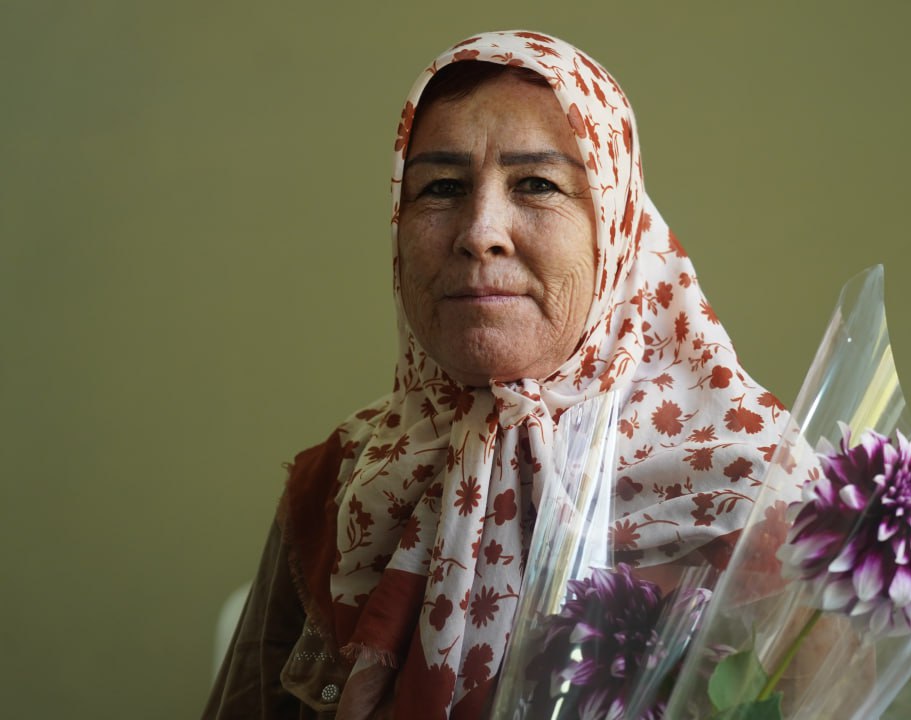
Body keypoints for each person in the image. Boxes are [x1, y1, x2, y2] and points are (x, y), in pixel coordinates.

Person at [204, 30, 791, 720]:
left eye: (537, 184)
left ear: (616, 228)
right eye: (441, 188)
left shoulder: (751, 494)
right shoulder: (348, 482)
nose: (480, 231)